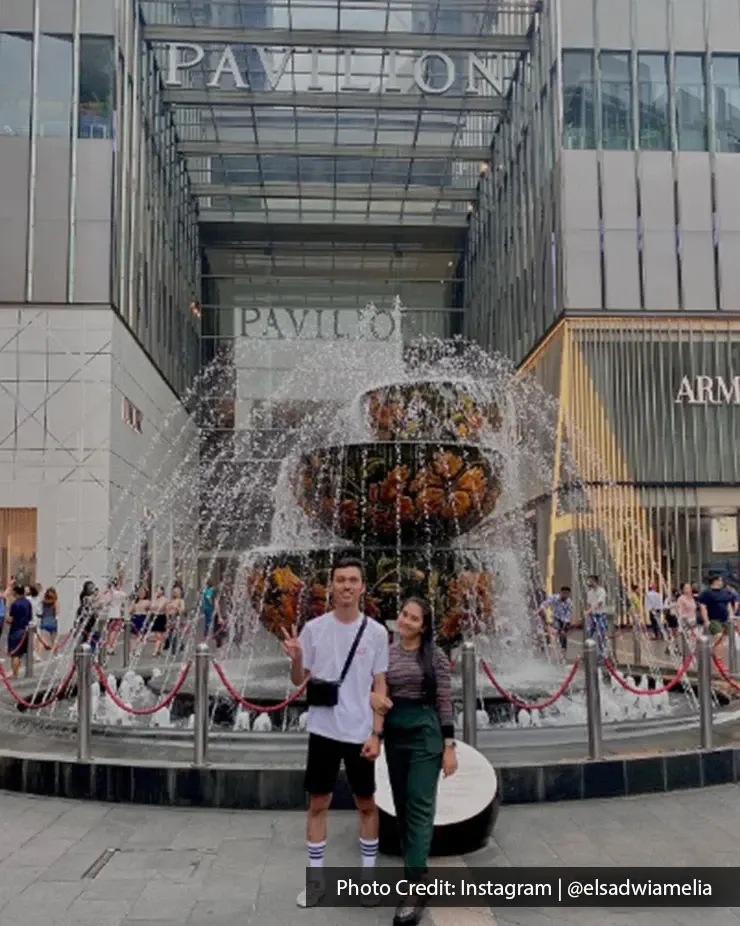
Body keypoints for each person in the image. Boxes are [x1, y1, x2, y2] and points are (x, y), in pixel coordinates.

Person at [281, 557, 389, 908]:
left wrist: (377, 734)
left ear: (362, 586)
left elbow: (380, 686)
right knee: (317, 804)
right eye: (340, 579)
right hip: (323, 730)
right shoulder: (314, 629)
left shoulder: (376, 632)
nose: (346, 586)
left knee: (366, 804)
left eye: (352, 580)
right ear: (332, 586)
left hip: (360, 732)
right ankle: (315, 883)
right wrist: (296, 657)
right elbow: (300, 680)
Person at [370, 597, 457, 926]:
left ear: (424, 625)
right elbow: (376, 693)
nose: (405, 620)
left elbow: (445, 702)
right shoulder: (386, 653)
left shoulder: (434, 655)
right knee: (404, 807)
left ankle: (414, 886)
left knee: (420, 807)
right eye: (404, 614)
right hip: (395, 734)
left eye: (414, 618)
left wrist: (449, 746)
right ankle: (416, 872)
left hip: (425, 734)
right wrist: (376, 735)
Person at [6, 584, 33, 678]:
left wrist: (7, 620)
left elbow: (11, 617)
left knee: (14, 653)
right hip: (25, 630)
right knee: (20, 653)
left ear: (15, 592)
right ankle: (16, 672)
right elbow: (30, 617)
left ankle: (14, 674)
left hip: (16, 630)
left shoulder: (15, 603)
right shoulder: (28, 603)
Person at [537, 586, 573, 654]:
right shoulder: (555, 598)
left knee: (563, 635)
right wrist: (541, 608)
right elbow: (546, 603)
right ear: (561, 593)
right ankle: (554, 646)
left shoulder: (569, 603)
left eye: (567, 594)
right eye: (564, 593)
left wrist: (563, 628)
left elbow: (568, 616)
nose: (565, 595)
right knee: (555, 631)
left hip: (565, 621)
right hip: (556, 618)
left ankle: (563, 650)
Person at [584, 575, 608, 660]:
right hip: (592, 615)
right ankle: (589, 654)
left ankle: (603, 655)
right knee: (589, 634)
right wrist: (588, 613)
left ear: (595, 581)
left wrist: (588, 611)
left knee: (601, 635)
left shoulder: (601, 591)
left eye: (590, 581)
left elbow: (599, 603)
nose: (588, 583)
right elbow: (589, 604)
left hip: (600, 615)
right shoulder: (590, 592)